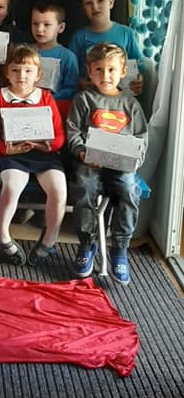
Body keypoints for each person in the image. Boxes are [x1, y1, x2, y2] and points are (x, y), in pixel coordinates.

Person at [66, 43, 149, 285]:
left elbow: (141, 138)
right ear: (89, 72)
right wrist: (82, 153)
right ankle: (87, 244)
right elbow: (73, 131)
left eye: (111, 70)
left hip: (121, 167)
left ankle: (120, 249)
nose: (105, 75)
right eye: (99, 70)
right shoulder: (84, 99)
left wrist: (134, 160)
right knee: (85, 186)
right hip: (90, 163)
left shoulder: (131, 104)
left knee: (129, 189)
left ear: (123, 71)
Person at [0, 44, 66, 268]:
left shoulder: (46, 97)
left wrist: (46, 146)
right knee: (11, 187)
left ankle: (50, 238)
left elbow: (59, 134)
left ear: (38, 74)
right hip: (13, 155)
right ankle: (2, 233)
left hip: (43, 154)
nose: (21, 76)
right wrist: (7, 150)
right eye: (15, 70)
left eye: (28, 71)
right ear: (7, 73)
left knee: (58, 190)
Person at [68, 0, 144, 94]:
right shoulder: (79, 37)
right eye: (88, 3)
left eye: (100, 1)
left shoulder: (126, 33)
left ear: (111, 2)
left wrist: (139, 79)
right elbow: (70, 71)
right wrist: (79, 82)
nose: (95, 7)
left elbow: (138, 65)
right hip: (90, 96)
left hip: (120, 96)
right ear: (83, 8)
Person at [29, 0, 79, 101]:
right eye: (35, 23)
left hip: (54, 105)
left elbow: (71, 89)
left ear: (61, 27)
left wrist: (47, 98)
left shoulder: (67, 57)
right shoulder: (24, 52)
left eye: (47, 24)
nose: (39, 29)